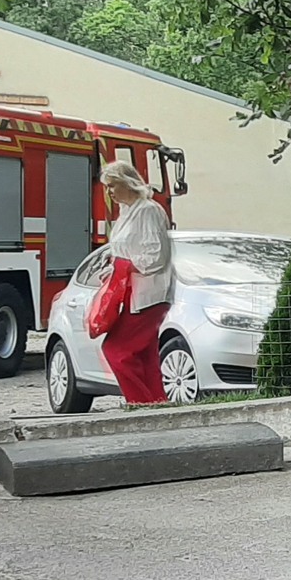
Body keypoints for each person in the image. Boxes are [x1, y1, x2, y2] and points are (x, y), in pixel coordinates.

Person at [98, 159, 175, 405]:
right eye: (107, 187)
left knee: (116, 349)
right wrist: (112, 269)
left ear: (127, 183)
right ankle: (156, 402)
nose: (109, 192)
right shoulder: (127, 213)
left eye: (112, 186)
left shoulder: (148, 210)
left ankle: (139, 401)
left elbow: (157, 256)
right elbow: (122, 250)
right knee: (144, 353)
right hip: (133, 293)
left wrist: (125, 266)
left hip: (150, 294)